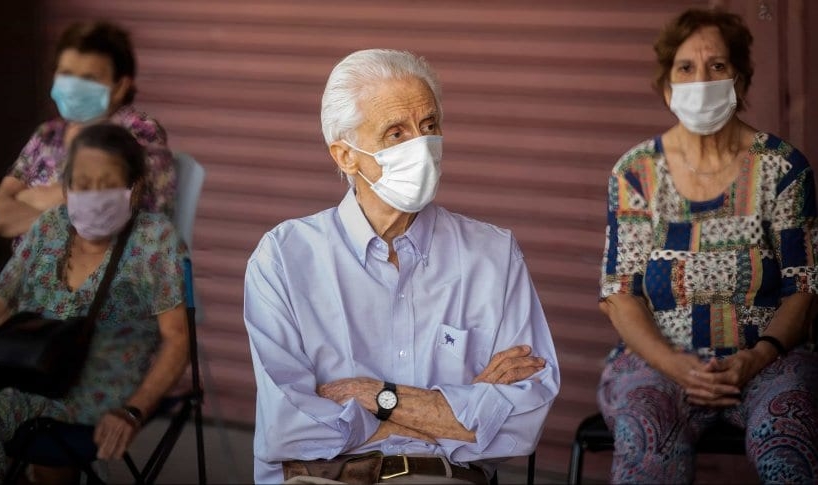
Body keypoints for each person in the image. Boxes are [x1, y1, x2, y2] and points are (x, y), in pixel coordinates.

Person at [244, 48, 560, 484]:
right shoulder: (283, 258)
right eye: (396, 133)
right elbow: (291, 430)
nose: (421, 146)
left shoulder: (493, 255)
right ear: (345, 155)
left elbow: (522, 421)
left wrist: (377, 396)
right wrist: (461, 413)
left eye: (429, 126)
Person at [598, 7, 818, 484]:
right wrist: (676, 365)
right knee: (647, 439)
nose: (701, 81)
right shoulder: (636, 173)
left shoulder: (783, 168)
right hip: (659, 362)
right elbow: (620, 294)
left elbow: (802, 289)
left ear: (740, 78)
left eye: (717, 65)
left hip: (767, 361)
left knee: (791, 445)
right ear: (666, 86)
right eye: (686, 68)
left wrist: (755, 357)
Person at [0, 123, 189, 482]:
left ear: (135, 187)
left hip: (104, 389)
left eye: (107, 183)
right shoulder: (50, 227)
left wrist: (134, 410)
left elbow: (177, 338)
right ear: (65, 188)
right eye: (82, 183)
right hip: (32, 372)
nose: (93, 195)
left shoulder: (153, 240)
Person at [0, 20, 177, 327]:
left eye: (88, 78)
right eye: (66, 73)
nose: (73, 86)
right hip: (27, 271)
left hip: (102, 281)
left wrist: (30, 197)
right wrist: (70, 209)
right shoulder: (47, 136)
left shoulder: (138, 132)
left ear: (120, 86)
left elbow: (102, 213)